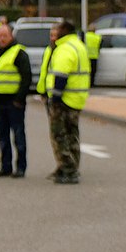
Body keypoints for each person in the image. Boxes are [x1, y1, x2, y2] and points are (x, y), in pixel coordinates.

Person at [37, 19, 91, 184]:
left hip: (65, 100)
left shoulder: (65, 48)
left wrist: (56, 98)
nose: (53, 36)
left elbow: (60, 75)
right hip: (76, 98)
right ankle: (69, 166)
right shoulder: (78, 45)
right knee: (72, 134)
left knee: (59, 135)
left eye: (56, 32)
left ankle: (68, 169)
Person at [0, 24, 31, 178]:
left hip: (13, 101)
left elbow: (26, 77)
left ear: (11, 36)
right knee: (2, 136)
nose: (2, 39)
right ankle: (5, 166)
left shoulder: (18, 53)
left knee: (18, 135)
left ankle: (21, 167)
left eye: (5, 36)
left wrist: (19, 99)